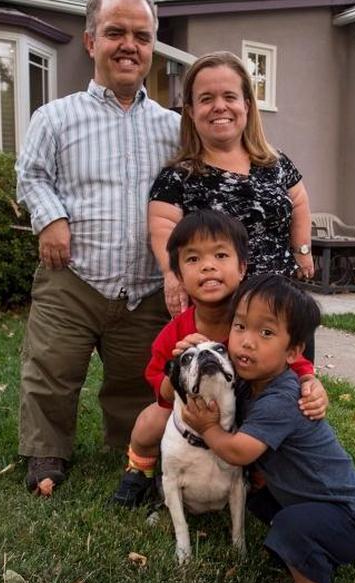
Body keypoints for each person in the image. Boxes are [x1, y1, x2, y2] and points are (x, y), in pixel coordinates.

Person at [15, 0, 179, 496]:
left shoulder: (175, 128)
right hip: (73, 277)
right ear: (91, 42)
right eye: (115, 33)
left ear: (152, 47)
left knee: (138, 377)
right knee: (52, 369)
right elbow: (31, 175)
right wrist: (50, 218)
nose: (129, 45)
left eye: (141, 35)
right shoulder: (56, 118)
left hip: (147, 284)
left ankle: (134, 450)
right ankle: (46, 451)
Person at [183, 274, 355, 583]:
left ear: (293, 352)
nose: (247, 341)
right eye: (240, 326)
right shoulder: (247, 381)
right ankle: (309, 553)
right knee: (259, 498)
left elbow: (240, 451)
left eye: (266, 333)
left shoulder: (281, 398)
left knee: (291, 527)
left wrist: (208, 429)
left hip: (351, 516)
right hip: (312, 502)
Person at [109, 209, 329, 507]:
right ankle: (140, 471)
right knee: (150, 420)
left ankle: (261, 478)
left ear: (242, 268)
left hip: (244, 407)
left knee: (273, 420)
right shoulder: (175, 332)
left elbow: (290, 359)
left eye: (221, 256)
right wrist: (178, 370)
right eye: (193, 259)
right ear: (179, 275)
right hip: (194, 408)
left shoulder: (256, 318)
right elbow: (158, 385)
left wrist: (310, 382)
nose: (208, 267)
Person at [148, 51, 315, 318]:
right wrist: (172, 274)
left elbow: (299, 202)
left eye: (229, 96)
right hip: (217, 313)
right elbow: (162, 225)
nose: (219, 106)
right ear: (190, 111)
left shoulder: (275, 162)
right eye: (206, 99)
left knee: (293, 361)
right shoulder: (178, 176)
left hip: (281, 306)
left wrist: (303, 250)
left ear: (246, 105)